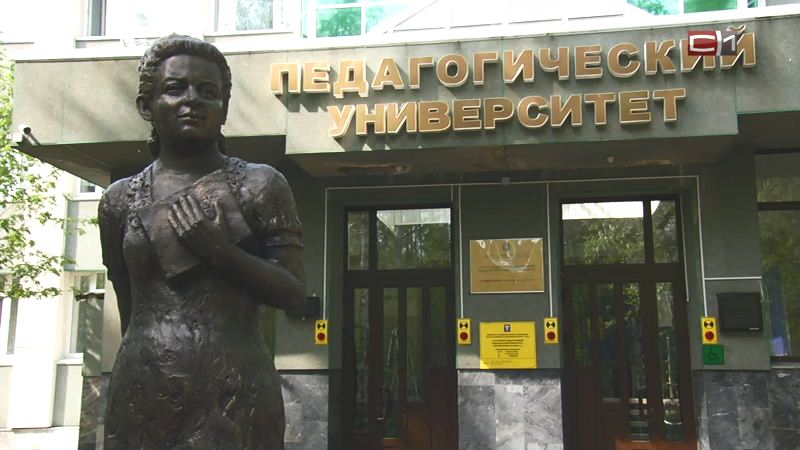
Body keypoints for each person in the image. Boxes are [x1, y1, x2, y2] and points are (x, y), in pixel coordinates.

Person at [98, 34, 304, 449]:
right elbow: (130, 303)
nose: (192, 100)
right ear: (147, 106)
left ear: (224, 107)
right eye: (175, 89)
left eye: (208, 92)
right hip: (144, 391)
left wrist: (219, 252)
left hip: (235, 392)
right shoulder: (119, 200)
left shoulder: (259, 184)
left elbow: (294, 292)